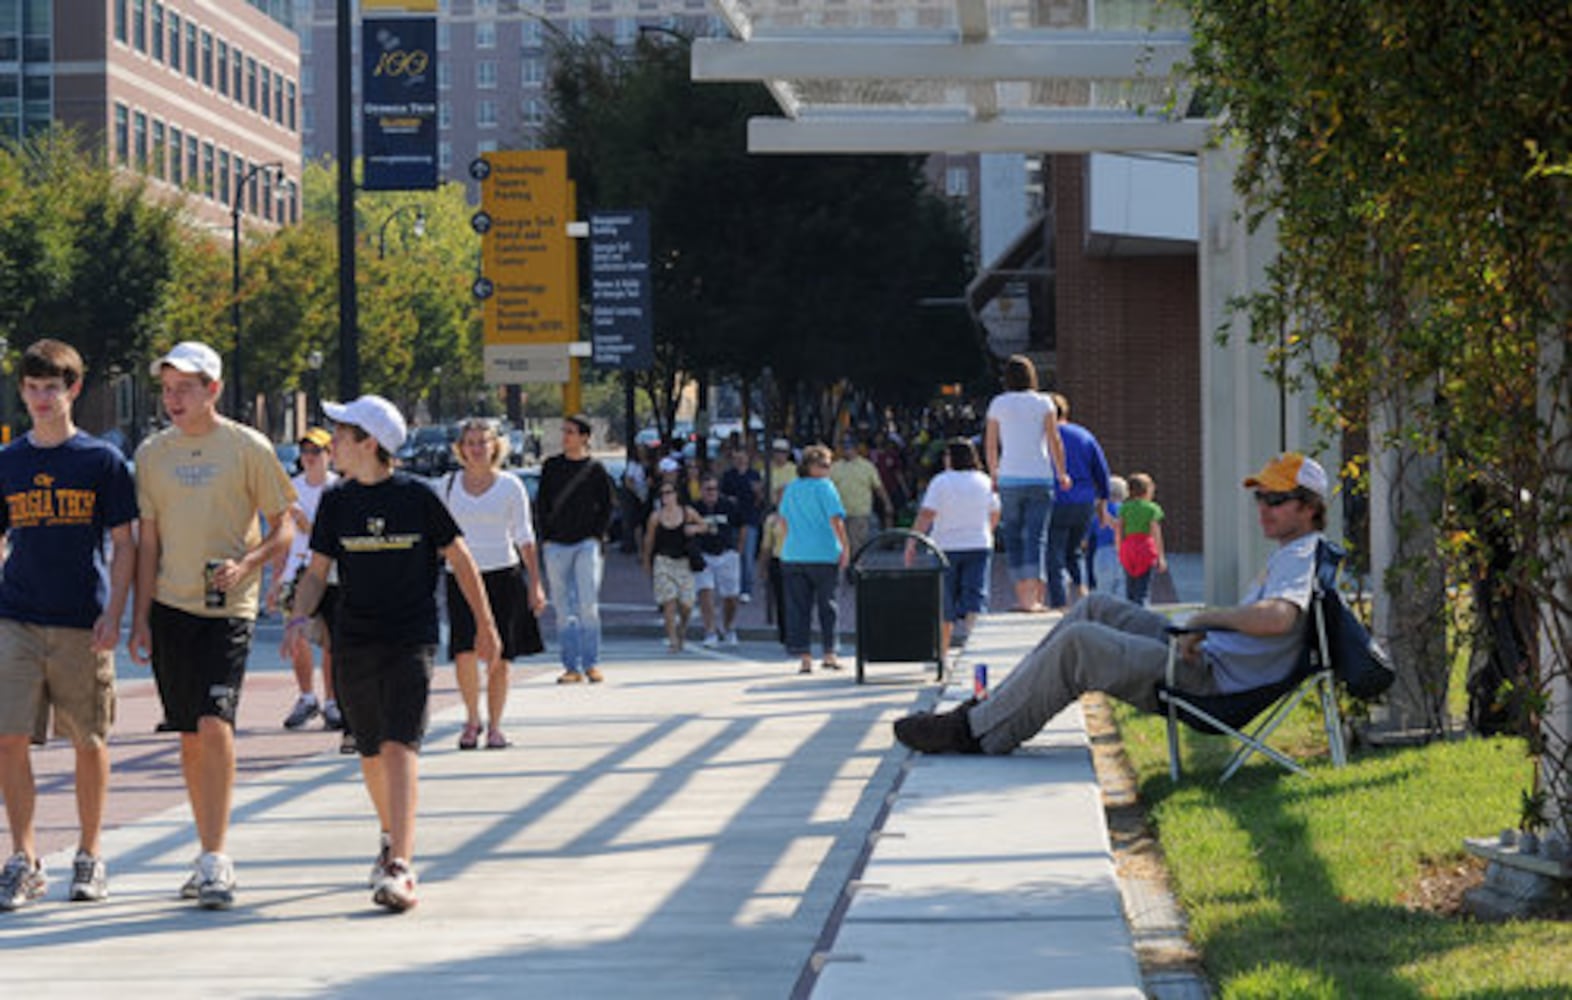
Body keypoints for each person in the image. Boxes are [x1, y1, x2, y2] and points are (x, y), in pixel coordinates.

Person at [894, 453, 1330, 756]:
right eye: (1260, 497)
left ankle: (973, 732)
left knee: (1080, 644)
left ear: (1310, 508)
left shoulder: (1302, 556)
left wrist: (1205, 618)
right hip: (1205, 657)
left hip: (1211, 682)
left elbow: (1279, 618)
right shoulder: (1296, 552)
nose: (1264, 508)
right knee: (1095, 606)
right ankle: (985, 711)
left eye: (1276, 499)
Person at [284, 395, 500, 912]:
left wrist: (487, 626)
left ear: (369, 443)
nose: (332, 442)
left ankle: (401, 865)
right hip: (354, 637)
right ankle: (389, 834)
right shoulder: (336, 502)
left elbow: (461, 559)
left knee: (402, 744)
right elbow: (317, 572)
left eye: (341, 433)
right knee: (370, 751)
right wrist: (298, 615)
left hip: (410, 637)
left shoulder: (417, 497)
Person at [129, 341, 296, 910]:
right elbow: (147, 540)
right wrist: (140, 616)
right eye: (168, 388)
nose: (174, 399)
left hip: (229, 606)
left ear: (214, 391)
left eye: (186, 388)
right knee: (189, 734)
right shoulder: (151, 454)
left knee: (216, 721)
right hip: (171, 607)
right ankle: (204, 853)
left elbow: (285, 528)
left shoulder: (248, 447)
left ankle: (218, 857)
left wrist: (248, 564)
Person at [0, 339, 137, 910]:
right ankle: (24, 857)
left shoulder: (101, 462)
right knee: (9, 738)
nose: (40, 399)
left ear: (73, 390)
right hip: (17, 618)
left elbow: (126, 543)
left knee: (89, 738)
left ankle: (88, 854)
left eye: (51, 388)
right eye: (31, 389)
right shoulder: (7, 462)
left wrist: (116, 614)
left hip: (84, 619)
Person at [439, 418, 547, 750]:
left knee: (500, 655)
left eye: (483, 442)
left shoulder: (511, 485)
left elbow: (524, 536)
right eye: (470, 442)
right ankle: (472, 720)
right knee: (464, 652)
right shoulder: (447, 485)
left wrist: (535, 584)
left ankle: (495, 726)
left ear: (495, 446)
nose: (476, 448)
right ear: (461, 448)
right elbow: (437, 535)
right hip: (460, 576)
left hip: (504, 573)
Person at [266, 427, 344, 732]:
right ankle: (306, 696)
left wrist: (309, 526)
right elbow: (282, 538)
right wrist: (276, 579)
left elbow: (331, 537)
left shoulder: (339, 489)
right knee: (297, 636)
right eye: (306, 452)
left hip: (332, 574)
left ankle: (332, 701)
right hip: (297, 572)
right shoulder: (290, 490)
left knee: (329, 641)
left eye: (317, 452)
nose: (310, 458)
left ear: (329, 455)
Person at [984, 355, 1071, 613]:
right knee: (1037, 537)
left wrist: (993, 473)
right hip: (1040, 476)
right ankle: (1035, 597)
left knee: (1012, 536)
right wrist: (1062, 472)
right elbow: (1055, 440)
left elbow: (991, 443)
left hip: (1009, 476)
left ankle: (1021, 597)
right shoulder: (1044, 402)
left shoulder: (998, 403)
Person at [535, 414, 617, 684]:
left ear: (584, 437)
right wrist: (545, 537)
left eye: (571, 432)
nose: (565, 436)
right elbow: (542, 503)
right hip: (556, 544)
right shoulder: (551, 466)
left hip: (586, 544)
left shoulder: (595, 469)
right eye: (564, 431)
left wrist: (597, 536)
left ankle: (591, 663)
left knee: (587, 604)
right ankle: (571, 667)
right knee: (562, 607)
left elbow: (608, 505)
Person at [908, 438, 999, 655]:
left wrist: (912, 541)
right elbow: (995, 512)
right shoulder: (984, 481)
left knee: (943, 602)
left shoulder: (941, 482)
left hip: (944, 546)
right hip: (978, 544)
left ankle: (942, 653)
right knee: (975, 599)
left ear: (952, 458)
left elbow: (926, 514)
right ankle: (975, 651)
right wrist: (988, 532)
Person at [778, 444, 850, 675]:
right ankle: (829, 653)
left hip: (794, 553)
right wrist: (846, 547)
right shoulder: (826, 487)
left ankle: (805, 657)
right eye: (823, 464)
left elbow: (783, 521)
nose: (827, 469)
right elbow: (836, 521)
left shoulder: (791, 488)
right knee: (827, 605)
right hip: (824, 553)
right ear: (810, 466)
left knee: (798, 608)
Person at [1044, 393, 1111, 610]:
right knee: (1074, 551)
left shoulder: (1044, 437)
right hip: (1083, 501)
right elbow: (1101, 471)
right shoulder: (1084, 435)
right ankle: (1082, 591)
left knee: (1053, 552)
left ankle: (1060, 602)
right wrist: (1102, 503)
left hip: (1055, 499)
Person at [642, 480, 704, 653]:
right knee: (669, 601)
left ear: (676, 494)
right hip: (663, 561)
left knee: (687, 603)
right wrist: (647, 561)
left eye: (669, 493)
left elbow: (705, 525)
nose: (666, 497)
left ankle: (682, 628)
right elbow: (649, 540)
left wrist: (695, 529)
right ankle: (673, 640)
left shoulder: (687, 512)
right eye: (662, 494)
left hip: (684, 563)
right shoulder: (656, 517)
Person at [693, 474, 743, 646]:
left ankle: (729, 627)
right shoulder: (695, 509)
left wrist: (738, 549)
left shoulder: (728, 505)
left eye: (714, 489)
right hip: (704, 555)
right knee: (705, 592)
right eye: (707, 489)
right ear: (701, 491)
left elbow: (742, 525)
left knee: (731, 596)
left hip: (727, 553)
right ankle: (710, 630)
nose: (711, 493)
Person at [829, 435, 891, 564]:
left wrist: (887, 503)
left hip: (860, 512)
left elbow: (878, 487)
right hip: (839, 513)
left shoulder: (867, 466)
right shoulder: (834, 467)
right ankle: (844, 570)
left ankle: (855, 569)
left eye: (850, 448)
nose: (847, 451)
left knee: (858, 544)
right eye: (845, 448)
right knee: (841, 544)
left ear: (856, 449)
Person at [718, 446, 762, 605]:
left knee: (747, 557)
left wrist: (758, 493)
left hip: (749, 519)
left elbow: (760, 498)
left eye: (742, 457)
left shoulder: (754, 475)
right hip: (732, 520)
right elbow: (721, 495)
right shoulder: (728, 475)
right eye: (736, 458)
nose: (740, 460)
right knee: (731, 555)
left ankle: (746, 589)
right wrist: (728, 500)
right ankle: (732, 587)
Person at [1117, 473, 1166, 606]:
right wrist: (1161, 557)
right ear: (1147, 490)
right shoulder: (1152, 508)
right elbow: (1156, 532)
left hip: (1128, 547)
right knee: (1143, 590)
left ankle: (1129, 615)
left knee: (1130, 589)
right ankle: (1141, 616)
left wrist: (1119, 549)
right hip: (1145, 548)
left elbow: (1119, 529)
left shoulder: (1124, 508)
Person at [1087, 475, 1128, 596]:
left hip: (1103, 552)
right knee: (1123, 593)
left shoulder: (1097, 512)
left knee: (1104, 594)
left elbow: (1087, 539)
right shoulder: (1126, 510)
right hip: (1124, 552)